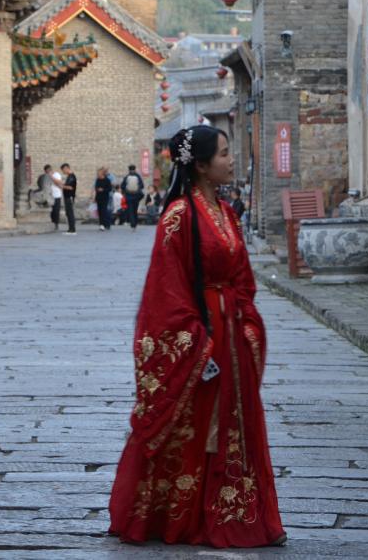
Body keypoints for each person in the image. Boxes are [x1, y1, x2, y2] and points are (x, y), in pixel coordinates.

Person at [108, 125, 286, 548]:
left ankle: (233, 512)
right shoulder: (179, 216)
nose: (231, 160)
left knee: (232, 426)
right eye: (223, 153)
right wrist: (196, 339)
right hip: (201, 335)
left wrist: (246, 320)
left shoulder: (227, 213)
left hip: (232, 332)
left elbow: (242, 276)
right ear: (202, 166)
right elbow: (165, 290)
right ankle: (179, 516)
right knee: (195, 424)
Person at [120, 164, 145, 231]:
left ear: (129, 170)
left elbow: (122, 186)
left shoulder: (127, 177)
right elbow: (142, 186)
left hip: (129, 196)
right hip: (136, 196)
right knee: (135, 210)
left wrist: (125, 192)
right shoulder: (138, 176)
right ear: (135, 169)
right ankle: (135, 223)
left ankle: (132, 224)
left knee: (130, 210)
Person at [44, 164, 64, 231]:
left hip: (56, 195)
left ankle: (56, 224)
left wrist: (51, 176)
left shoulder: (56, 175)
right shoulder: (46, 176)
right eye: (46, 172)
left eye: (48, 171)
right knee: (51, 211)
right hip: (50, 196)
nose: (47, 172)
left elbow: (59, 183)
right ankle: (52, 223)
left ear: (50, 170)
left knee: (56, 211)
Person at [60, 163, 77, 235]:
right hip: (66, 197)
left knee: (70, 213)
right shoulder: (69, 176)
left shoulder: (72, 176)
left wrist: (62, 186)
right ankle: (70, 229)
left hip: (69, 197)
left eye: (63, 170)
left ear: (66, 168)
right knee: (68, 213)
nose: (63, 172)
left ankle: (72, 230)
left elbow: (70, 187)